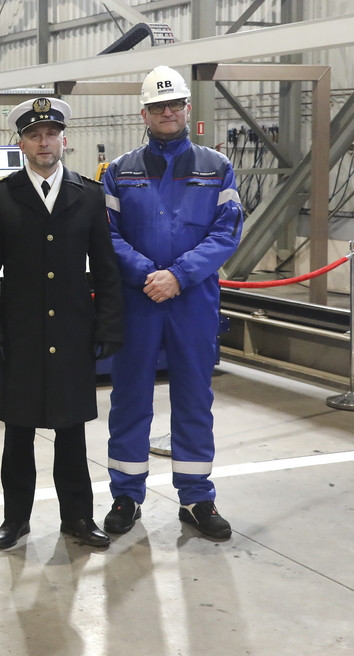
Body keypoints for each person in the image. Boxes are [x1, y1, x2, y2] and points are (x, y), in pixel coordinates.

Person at [0, 97, 124, 550]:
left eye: (51, 134)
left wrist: (108, 326)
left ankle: (77, 517)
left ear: (64, 140)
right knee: (18, 434)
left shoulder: (88, 194)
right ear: (20, 143)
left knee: (71, 433)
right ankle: (15, 519)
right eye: (34, 135)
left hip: (73, 333)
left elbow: (106, 268)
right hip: (20, 335)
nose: (44, 142)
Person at [101, 66, 243, 540]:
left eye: (174, 104)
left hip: (193, 301)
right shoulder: (120, 171)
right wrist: (148, 275)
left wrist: (178, 276)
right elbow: (107, 236)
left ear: (187, 108)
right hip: (138, 300)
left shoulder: (216, 167)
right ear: (143, 113)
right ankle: (126, 495)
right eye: (157, 106)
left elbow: (226, 233)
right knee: (129, 398)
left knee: (194, 399)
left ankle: (197, 498)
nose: (167, 112)